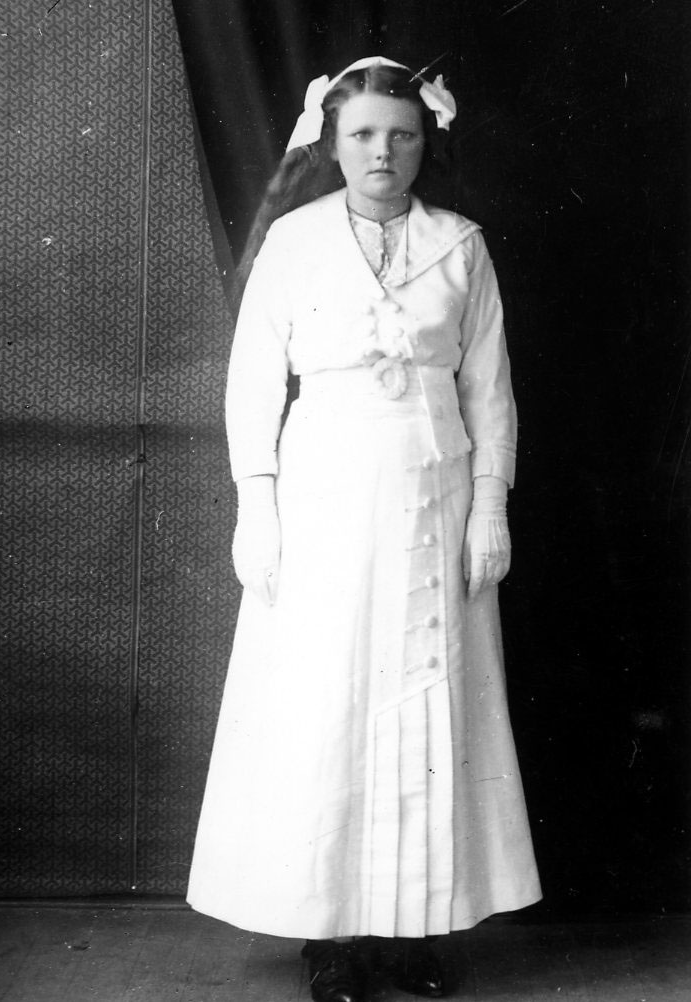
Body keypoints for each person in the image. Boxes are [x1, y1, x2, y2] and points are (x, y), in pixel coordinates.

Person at [187, 56, 542, 1002]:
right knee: (328, 704)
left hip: (435, 496)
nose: (383, 152)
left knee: (429, 703)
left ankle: (410, 932)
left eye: (402, 135)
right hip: (325, 498)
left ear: (426, 142)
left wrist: (491, 507)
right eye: (364, 135)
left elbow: (490, 391)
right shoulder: (294, 241)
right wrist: (256, 506)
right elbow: (252, 384)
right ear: (333, 143)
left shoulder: (459, 246)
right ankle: (332, 935)